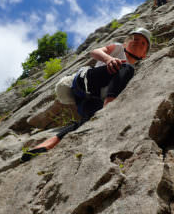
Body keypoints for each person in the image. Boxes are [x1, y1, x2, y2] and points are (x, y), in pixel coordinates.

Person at [20, 28, 151, 162]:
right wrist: (109, 59)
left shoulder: (132, 76)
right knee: (126, 68)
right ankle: (109, 108)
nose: (137, 43)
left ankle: (49, 144)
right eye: (135, 39)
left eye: (142, 43)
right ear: (125, 43)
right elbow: (95, 52)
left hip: (89, 100)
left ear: (144, 55)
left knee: (87, 121)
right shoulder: (118, 49)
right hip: (86, 81)